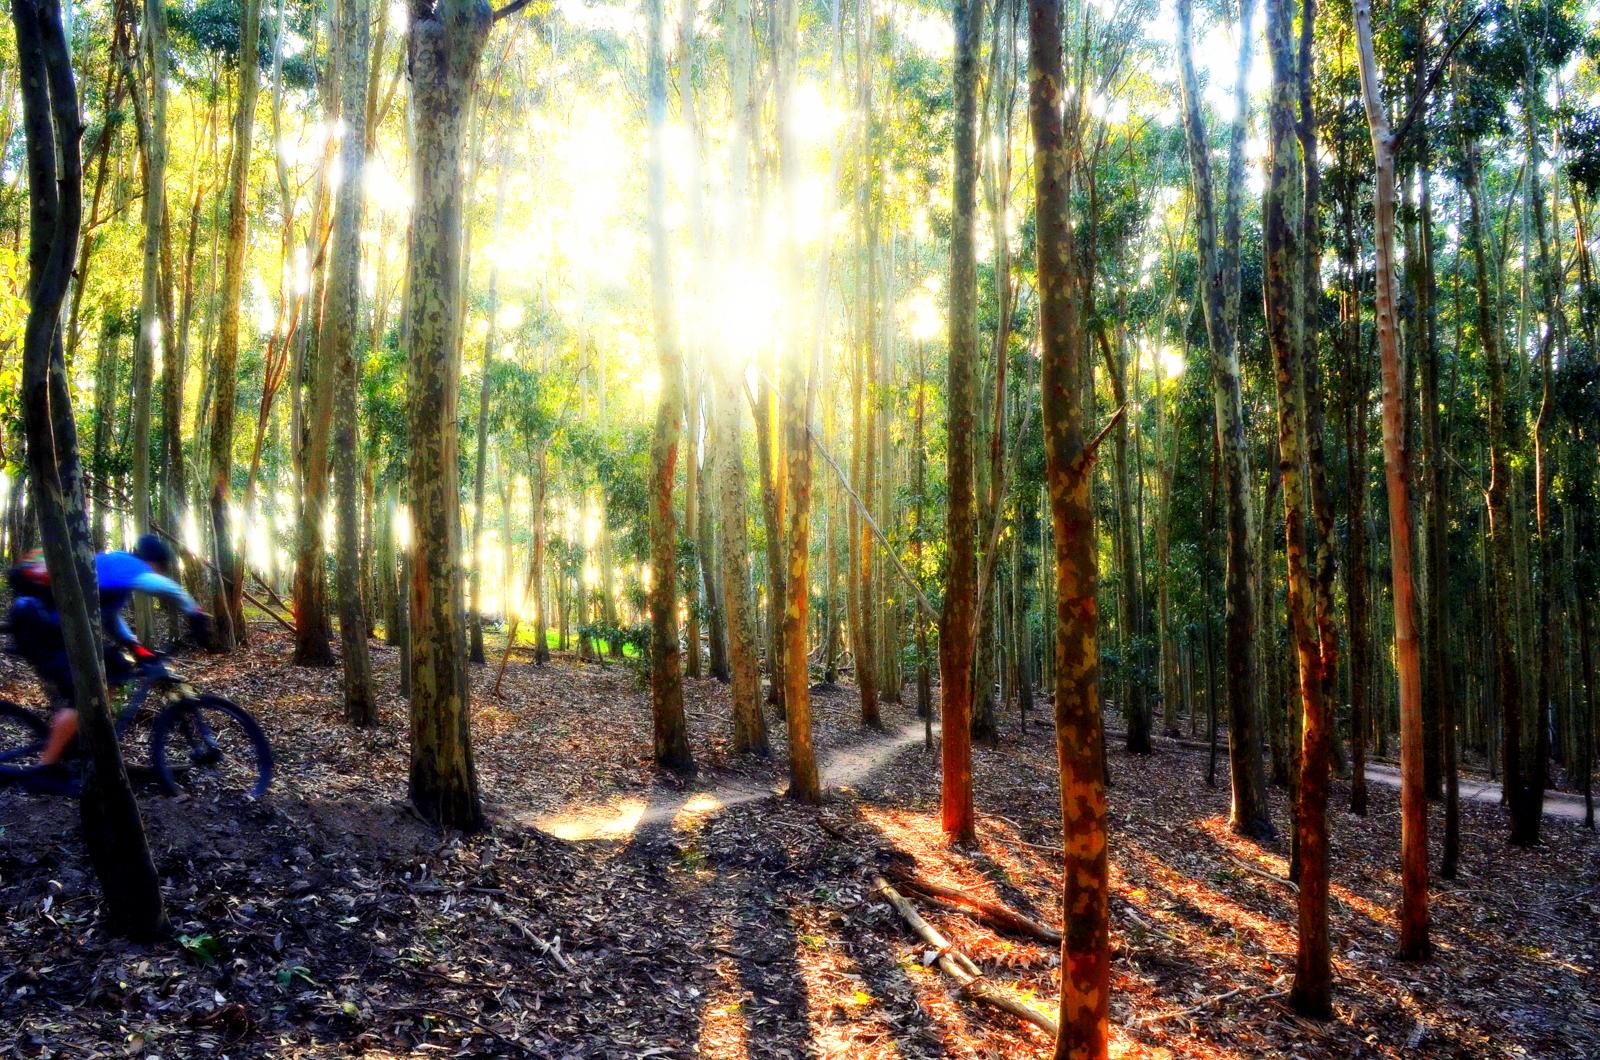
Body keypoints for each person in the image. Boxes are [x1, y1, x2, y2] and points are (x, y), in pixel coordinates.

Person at [7, 534, 211, 766]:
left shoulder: (114, 569)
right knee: (80, 696)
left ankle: (76, 740)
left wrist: (137, 648)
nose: (160, 573)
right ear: (154, 562)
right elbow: (164, 588)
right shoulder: (127, 564)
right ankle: (45, 770)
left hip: (45, 627)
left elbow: (109, 619)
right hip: (40, 627)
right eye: (161, 567)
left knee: (116, 667)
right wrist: (194, 611)